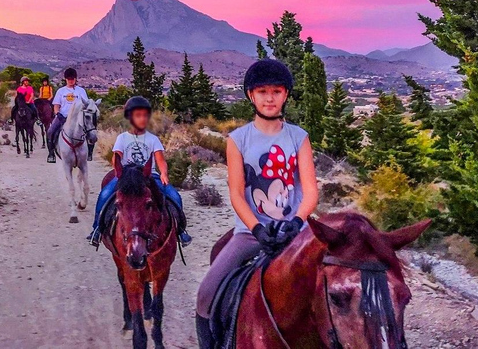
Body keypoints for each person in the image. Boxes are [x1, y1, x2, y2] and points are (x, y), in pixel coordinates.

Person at [194, 59, 318, 348]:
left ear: (286, 94)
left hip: (294, 235)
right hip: (251, 234)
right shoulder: (238, 139)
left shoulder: (299, 138)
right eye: (262, 91)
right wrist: (258, 229)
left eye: (276, 91)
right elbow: (237, 193)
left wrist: (296, 223)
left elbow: (310, 191)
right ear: (251, 95)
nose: (270, 97)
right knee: (205, 296)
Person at [86, 96, 193, 248]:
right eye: (138, 116)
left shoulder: (153, 139)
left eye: (144, 116)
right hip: (127, 177)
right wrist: (117, 165)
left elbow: (160, 160)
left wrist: (163, 173)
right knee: (104, 195)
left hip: (149, 176)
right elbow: (117, 157)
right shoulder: (122, 138)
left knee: (175, 196)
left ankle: (181, 231)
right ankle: (97, 228)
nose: (142, 119)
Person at [47, 68, 89, 163]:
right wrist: (58, 114)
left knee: (90, 131)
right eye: (69, 79)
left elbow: (86, 105)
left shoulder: (81, 91)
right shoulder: (61, 91)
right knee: (50, 131)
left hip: (77, 117)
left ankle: (89, 152)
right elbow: (56, 106)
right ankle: (51, 153)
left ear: (75, 79)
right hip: (63, 116)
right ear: (66, 79)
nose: (71, 81)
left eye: (72, 79)